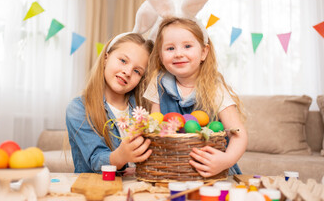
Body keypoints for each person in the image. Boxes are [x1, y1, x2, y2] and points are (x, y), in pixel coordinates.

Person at [143, 17, 248, 177]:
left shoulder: (214, 87)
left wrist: (225, 160)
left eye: (187, 46)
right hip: (170, 166)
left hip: (209, 169)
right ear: (160, 55)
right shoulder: (158, 84)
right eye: (170, 48)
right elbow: (154, 127)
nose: (178, 54)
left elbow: (239, 134)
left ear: (203, 52)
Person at [66, 32, 154, 173]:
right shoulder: (79, 108)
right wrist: (121, 156)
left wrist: (139, 169)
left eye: (137, 71)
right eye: (123, 61)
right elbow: (96, 160)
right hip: (97, 190)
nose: (127, 72)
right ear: (106, 58)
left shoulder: (143, 109)